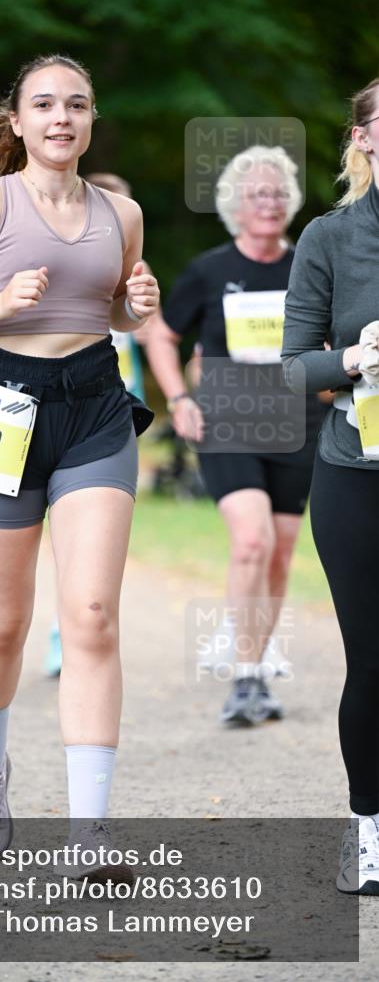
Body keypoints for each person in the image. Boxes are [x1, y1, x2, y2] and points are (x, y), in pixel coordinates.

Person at [0, 54, 157, 874]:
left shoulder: (124, 213)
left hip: (92, 408)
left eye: (76, 105)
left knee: (90, 613)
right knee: (1, 622)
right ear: (16, 122)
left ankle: (88, 835)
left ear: (90, 120)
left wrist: (133, 307)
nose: (60, 117)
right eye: (43, 104)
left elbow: (107, 302)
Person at [145, 145, 324, 726]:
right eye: (257, 194)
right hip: (227, 418)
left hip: (299, 421)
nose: (270, 203)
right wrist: (177, 399)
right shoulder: (210, 270)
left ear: (291, 202)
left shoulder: (310, 266)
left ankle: (254, 657)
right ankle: (246, 680)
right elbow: (161, 337)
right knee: (251, 541)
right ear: (235, 207)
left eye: (278, 193)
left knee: (279, 552)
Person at [282, 78, 379, 895]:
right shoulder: (328, 238)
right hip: (358, 474)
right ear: (364, 139)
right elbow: (290, 369)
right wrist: (354, 358)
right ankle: (372, 829)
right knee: (373, 661)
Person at [44, 171, 148, 679]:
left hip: (107, 405)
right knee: (4, 610)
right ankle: (56, 628)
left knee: (93, 576)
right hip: (36, 401)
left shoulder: (130, 244)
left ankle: (75, 626)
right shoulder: (42, 242)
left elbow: (133, 318)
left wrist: (135, 307)